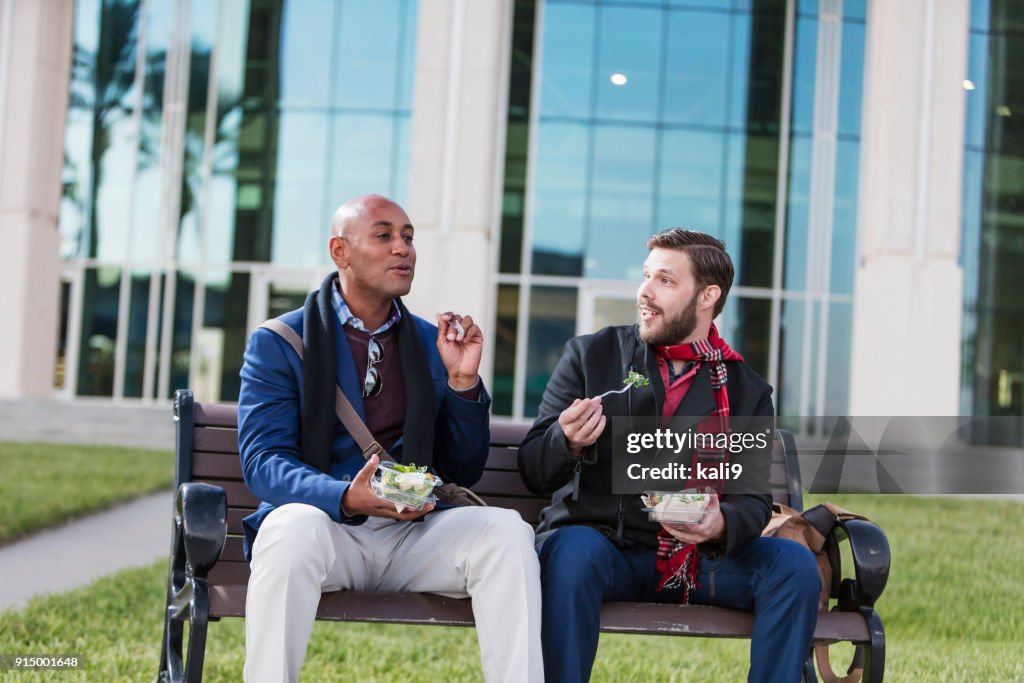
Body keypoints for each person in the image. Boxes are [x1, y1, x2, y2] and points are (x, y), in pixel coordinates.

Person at [238, 194, 543, 683]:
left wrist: (463, 384)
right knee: (289, 529)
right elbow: (264, 463)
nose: (403, 248)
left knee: (506, 533)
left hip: (413, 532)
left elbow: (461, 470)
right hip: (328, 531)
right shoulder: (280, 342)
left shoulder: (431, 343)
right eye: (384, 236)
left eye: (408, 237)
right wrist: (344, 496)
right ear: (341, 252)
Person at [518, 229, 820, 683]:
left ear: (707, 295)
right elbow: (533, 469)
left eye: (665, 280)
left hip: (703, 562)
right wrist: (566, 439)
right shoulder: (591, 356)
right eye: (646, 277)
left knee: (792, 566)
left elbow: (753, 500)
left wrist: (719, 523)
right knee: (571, 551)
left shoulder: (746, 391)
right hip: (608, 552)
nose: (645, 292)